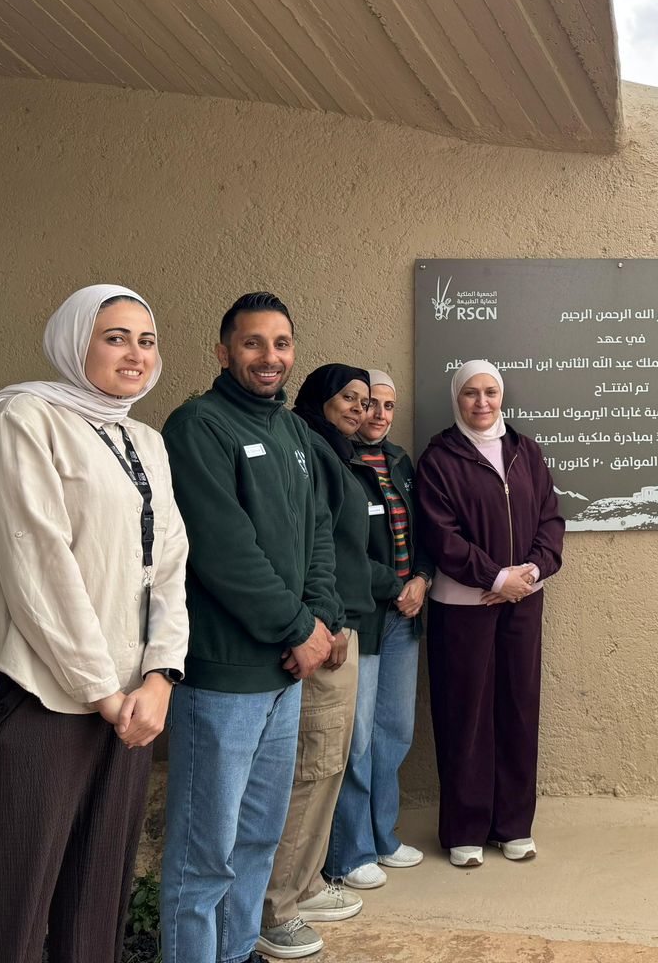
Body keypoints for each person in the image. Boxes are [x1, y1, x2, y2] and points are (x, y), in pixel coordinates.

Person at [0, 284, 188, 963]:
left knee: (96, 903)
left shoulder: (144, 438)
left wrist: (162, 677)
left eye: (146, 338)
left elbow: (169, 563)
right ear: (73, 341)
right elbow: (37, 564)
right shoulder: (24, 418)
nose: (135, 353)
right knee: (12, 910)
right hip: (39, 695)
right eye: (114, 336)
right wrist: (104, 692)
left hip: (132, 702)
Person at [161, 292, 340, 963]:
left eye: (282, 343)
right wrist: (297, 628)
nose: (270, 357)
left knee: (259, 838)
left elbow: (318, 532)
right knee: (204, 854)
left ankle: (235, 954)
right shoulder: (198, 426)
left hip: (284, 674)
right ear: (223, 351)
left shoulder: (293, 432)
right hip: (224, 678)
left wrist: (317, 621)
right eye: (253, 343)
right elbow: (223, 548)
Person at [259, 364, 393, 958]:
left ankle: (306, 884)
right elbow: (311, 544)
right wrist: (328, 619)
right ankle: (275, 907)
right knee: (311, 764)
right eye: (348, 398)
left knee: (331, 761)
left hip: (347, 621)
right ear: (321, 398)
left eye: (366, 402)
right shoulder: (307, 446)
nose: (360, 410)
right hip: (329, 628)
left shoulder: (333, 452)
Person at [415, 360, 564, 867]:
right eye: (471, 394)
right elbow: (441, 535)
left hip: (523, 603)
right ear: (456, 399)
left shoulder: (526, 452)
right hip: (464, 608)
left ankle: (513, 825)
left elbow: (550, 520)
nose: (482, 403)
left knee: (519, 710)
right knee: (466, 715)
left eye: (491, 392)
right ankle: (464, 829)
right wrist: (495, 578)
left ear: (503, 396)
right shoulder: (439, 459)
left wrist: (527, 575)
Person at [326, 368, 435, 888]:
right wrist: (396, 586)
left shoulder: (400, 462)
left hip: (404, 617)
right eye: (370, 404)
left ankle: (382, 836)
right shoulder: (338, 461)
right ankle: (351, 851)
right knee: (358, 737)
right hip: (363, 619)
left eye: (389, 406)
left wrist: (421, 579)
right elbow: (342, 554)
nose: (379, 414)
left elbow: (421, 534)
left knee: (395, 730)